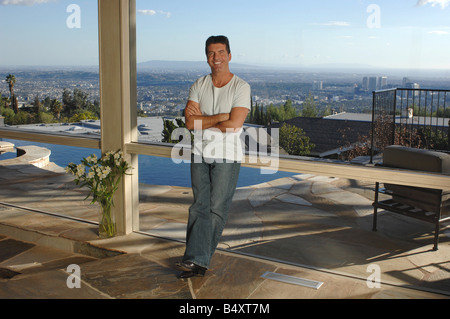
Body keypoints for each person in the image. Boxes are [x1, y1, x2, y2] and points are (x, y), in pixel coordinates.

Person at [176, 35, 251, 279]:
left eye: (220, 52)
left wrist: (204, 121)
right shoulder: (199, 84)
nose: (215, 58)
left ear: (229, 56)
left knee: (217, 208)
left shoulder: (241, 87)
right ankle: (196, 260)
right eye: (211, 53)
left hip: (227, 156)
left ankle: (196, 260)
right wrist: (221, 116)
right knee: (199, 206)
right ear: (206, 57)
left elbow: (234, 126)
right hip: (199, 153)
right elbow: (189, 123)